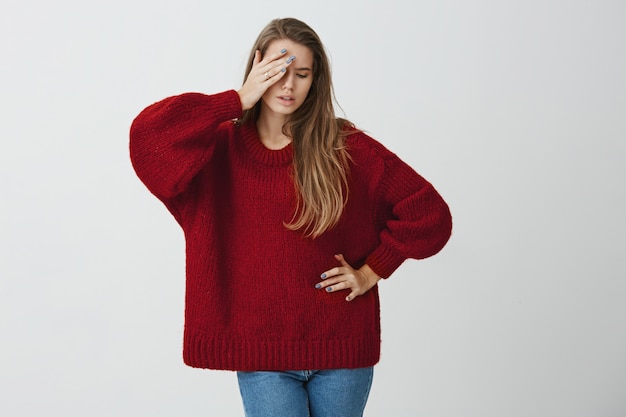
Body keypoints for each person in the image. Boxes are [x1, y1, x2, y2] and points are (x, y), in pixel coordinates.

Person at [130, 17, 452, 417]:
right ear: (258, 66)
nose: (288, 85)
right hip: (262, 354)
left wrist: (371, 271)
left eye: (301, 74)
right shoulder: (218, 151)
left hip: (340, 347)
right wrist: (236, 99)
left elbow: (429, 214)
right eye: (279, 71)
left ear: (314, 81)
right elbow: (147, 140)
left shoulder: (343, 146)